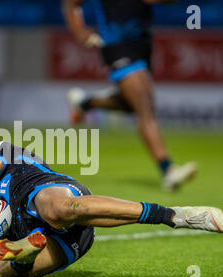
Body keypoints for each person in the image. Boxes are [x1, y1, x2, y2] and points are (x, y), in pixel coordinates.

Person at [0, 141, 223, 277]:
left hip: (46, 194)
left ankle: (174, 215)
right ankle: (23, 252)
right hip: (74, 242)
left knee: (59, 210)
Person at [62, 0, 195, 192]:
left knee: (131, 104)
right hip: (117, 45)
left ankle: (85, 103)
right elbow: (71, 3)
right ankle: (168, 170)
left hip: (141, 43)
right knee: (145, 109)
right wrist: (79, 31)